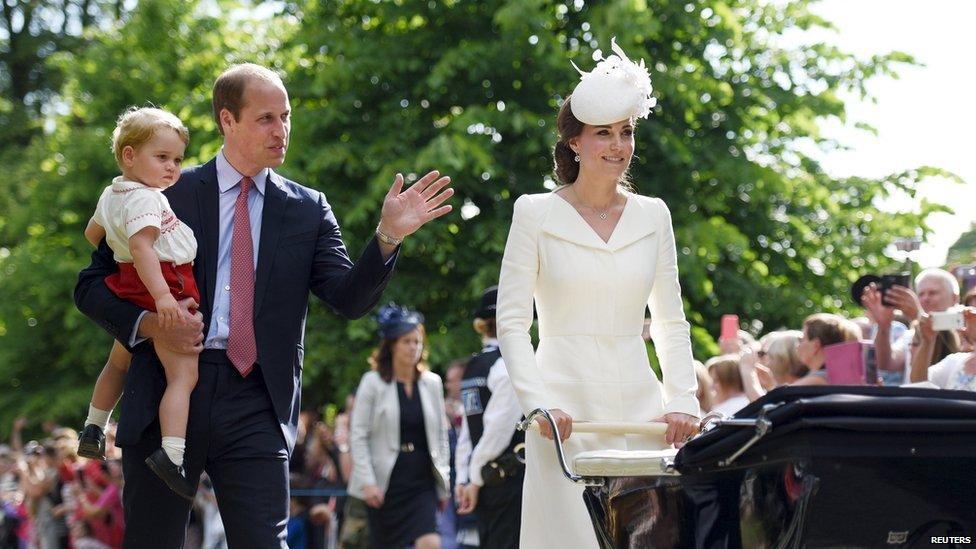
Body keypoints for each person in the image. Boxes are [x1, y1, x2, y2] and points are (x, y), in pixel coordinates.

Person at [74, 63, 454, 548]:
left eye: (286, 116)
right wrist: (149, 324)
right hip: (168, 389)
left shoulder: (307, 208)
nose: (282, 131)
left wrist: (388, 237)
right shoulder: (166, 191)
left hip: (258, 400)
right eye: (266, 119)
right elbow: (90, 285)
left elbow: (349, 299)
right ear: (227, 121)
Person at [496, 38, 700, 548]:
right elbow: (513, 321)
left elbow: (671, 321)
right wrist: (538, 404)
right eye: (602, 133)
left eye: (626, 132)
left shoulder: (655, 214)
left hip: (640, 409)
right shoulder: (534, 212)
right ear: (574, 143)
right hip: (563, 412)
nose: (617, 145)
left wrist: (683, 400)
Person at [75, 107, 200, 500]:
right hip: (163, 285)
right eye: (161, 158)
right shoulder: (148, 198)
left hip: (127, 284)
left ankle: (95, 425)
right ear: (129, 155)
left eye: (177, 160)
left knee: (118, 360)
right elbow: (143, 246)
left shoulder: (113, 193)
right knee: (183, 374)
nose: (172, 168)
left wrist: (119, 247)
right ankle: (173, 454)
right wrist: (163, 297)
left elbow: (91, 233)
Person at [347, 304, 450, 549]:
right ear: (392, 344)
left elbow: (441, 436)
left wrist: (443, 483)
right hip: (385, 482)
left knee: (431, 543)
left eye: (417, 341)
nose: (414, 347)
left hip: (422, 479)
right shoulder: (372, 383)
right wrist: (367, 482)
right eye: (407, 341)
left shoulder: (432, 383)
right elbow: (358, 435)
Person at [455, 286, 524, 549]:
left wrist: (463, 478)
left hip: (482, 480)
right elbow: (497, 430)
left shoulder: (472, 366)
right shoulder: (508, 365)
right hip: (505, 480)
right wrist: (473, 478)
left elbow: (466, 432)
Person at [793, 313, 862, 386]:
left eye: (803, 339)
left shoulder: (815, 381)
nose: (798, 345)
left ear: (816, 345)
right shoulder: (847, 377)